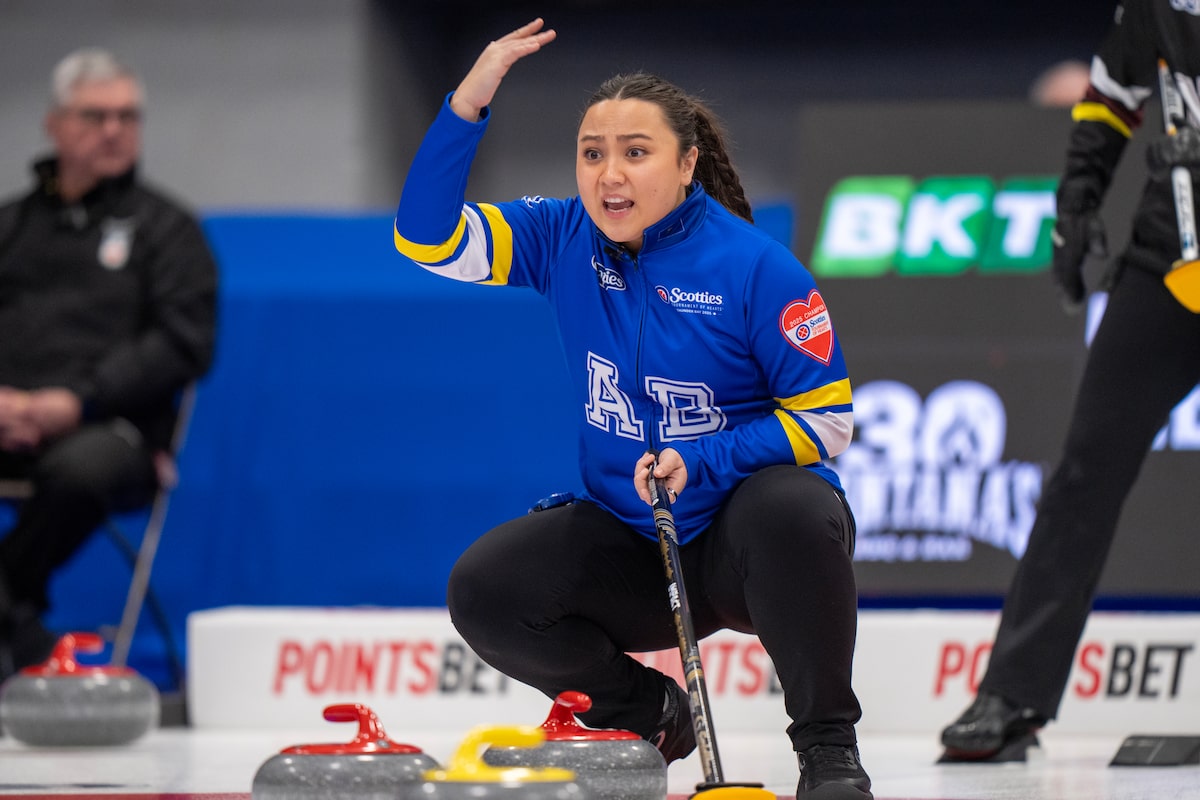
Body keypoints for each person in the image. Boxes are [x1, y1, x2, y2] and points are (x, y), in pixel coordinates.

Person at [393, 18, 871, 800]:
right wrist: (469, 100)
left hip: (739, 550)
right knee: (485, 588)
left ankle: (828, 750)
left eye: (635, 153)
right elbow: (425, 238)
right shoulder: (559, 237)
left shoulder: (758, 269)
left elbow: (828, 422)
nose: (608, 174)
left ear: (686, 164)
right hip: (633, 541)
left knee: (796, 508)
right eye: (592, 153)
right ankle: (650, 713)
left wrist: (706, 459)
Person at [940, 0, 1200, 762]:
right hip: (1173, 256)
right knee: (1085, 470)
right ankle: (1012, 696)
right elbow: (1116, 90)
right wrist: (1078, 198)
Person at [0, 48, 217, 681]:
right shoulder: (10, 228)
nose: (114, 130)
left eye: (128, 116)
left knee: (81, 468)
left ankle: (10, 602)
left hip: (113, 435)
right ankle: (15, 619)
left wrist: (77, 399)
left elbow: (185, 342)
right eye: (95, 115)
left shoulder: (167, 230)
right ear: (55, 124)